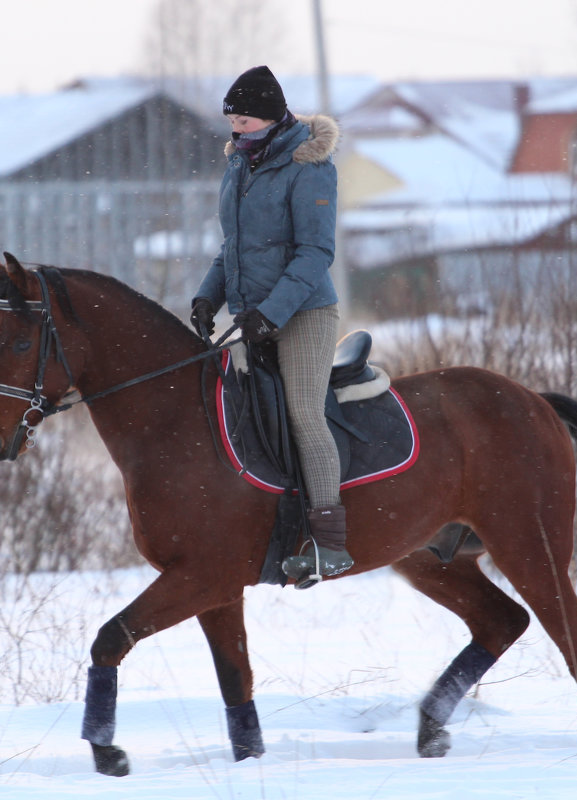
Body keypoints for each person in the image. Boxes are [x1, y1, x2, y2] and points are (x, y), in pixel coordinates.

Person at [189, 65, 350, 585]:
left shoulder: (310, 165)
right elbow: (233, 248)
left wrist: (271, 312)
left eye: (246, 122)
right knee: (240, 414)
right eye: (232, 122)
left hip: (303, 313)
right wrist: (206, 296)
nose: (237, 132)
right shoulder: (239, 165)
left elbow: (315, 253)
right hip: (251, 317)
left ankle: (330, 544)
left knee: (303, 412)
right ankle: (275, 528)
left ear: (274, 118)